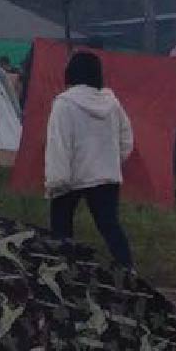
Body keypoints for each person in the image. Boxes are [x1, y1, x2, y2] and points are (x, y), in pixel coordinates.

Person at [43, 48, 136, 269]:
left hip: (71, 176)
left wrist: (56, 181)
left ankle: (65, 269)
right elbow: (126, 139)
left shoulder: (64, 103)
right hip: (106, 176)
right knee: (110, 226)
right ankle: (128, 271)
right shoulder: (112, 103)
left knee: (61, 227)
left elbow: (59, 144)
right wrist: (112, 161)